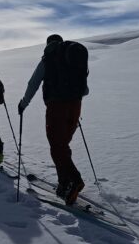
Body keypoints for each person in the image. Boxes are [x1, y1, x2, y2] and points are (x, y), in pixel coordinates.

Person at [18, 34, 89, 205]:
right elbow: (85, 90)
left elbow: (33, 83)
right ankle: (64, 182)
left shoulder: (48, 59)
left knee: (57, 146)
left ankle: (74, 181)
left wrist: (23, 104)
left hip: (57, 107)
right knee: (62, 145)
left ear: (48, 44)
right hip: (75, 105)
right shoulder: (73, 57)